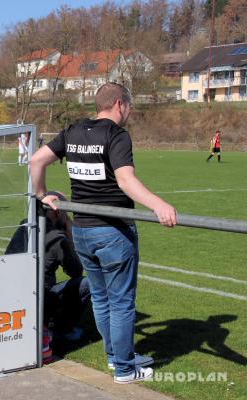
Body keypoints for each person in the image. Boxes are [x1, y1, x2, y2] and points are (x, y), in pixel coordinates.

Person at [30, 82, 177, 384]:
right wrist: (158, 204)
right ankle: (124, 368)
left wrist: (41, 193)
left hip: (82, 231)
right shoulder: (116, 135)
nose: (130, 113)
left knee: (101, 297)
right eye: (130, 106)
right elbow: (125, 181)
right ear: (120, 103)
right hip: (112, 231)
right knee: (121, 301)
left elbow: (36, 160)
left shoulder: (72, 131)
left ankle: (116, 358)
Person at [5, 191, 91, 361]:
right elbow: (75, 271)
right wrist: (69, 237)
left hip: (13, 294)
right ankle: (63, 330)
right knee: (89, 283)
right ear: (58, 212)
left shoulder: (25, 225)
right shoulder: (57, 238)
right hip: (41, 298)